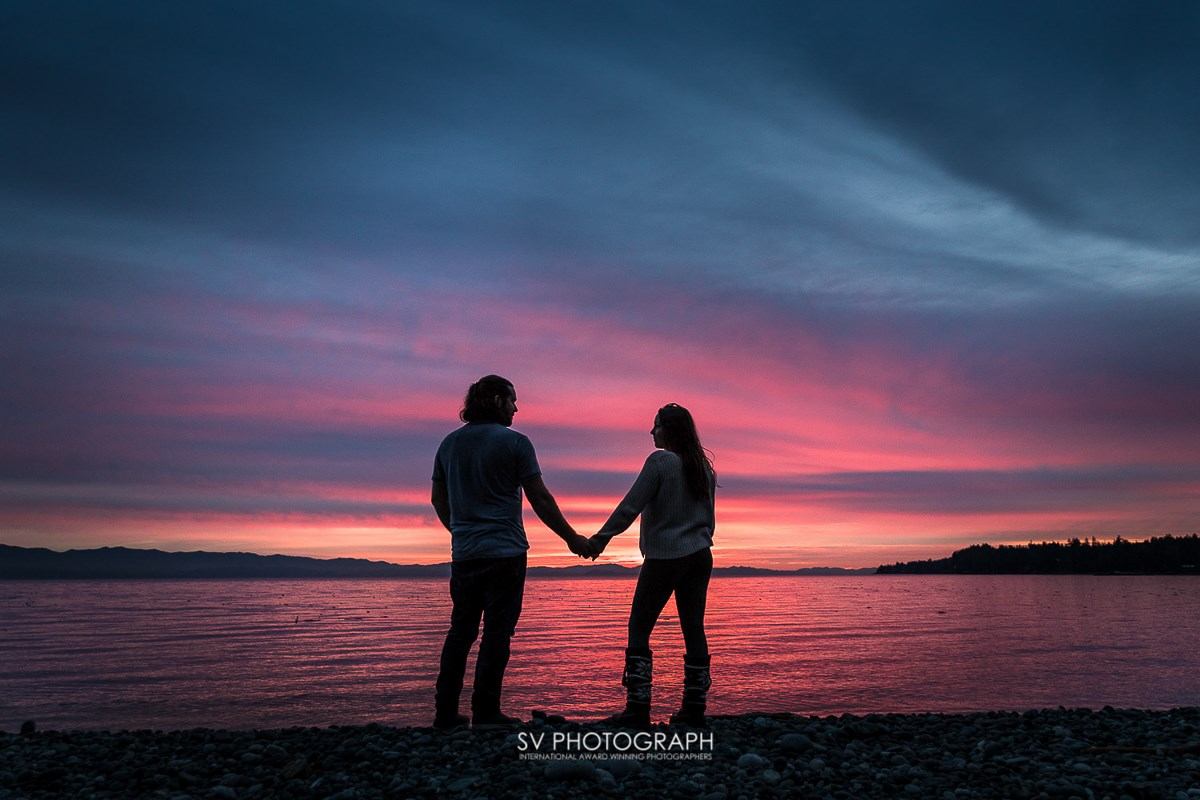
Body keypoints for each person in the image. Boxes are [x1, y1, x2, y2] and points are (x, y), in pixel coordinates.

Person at [431, 375, 592, 729]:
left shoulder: (448, 445)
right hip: (505, 554)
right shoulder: (516, 443)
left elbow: (438, 500)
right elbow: (540, 498)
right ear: (496, 400)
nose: (517, 408)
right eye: (512, 400)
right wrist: (572, 538)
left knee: (461, 632)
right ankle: (486, 712)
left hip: (465, 555)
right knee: (497, 633)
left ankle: (445, 713)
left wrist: (460, 531)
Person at [588, 403, 716, 728]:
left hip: (665, 558)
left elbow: (630, 505)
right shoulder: (703, 468)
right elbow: (709, 521)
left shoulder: (660, 461)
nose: (651, 432)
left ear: (669, 430)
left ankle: (638, 709)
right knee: (693, 629)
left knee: (639, 627)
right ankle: (694, 710)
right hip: (700, 556)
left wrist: (600, 538)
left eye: (656, 425)